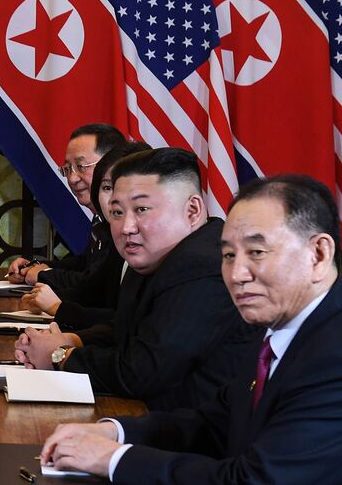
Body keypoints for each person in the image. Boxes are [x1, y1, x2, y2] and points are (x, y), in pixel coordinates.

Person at [40, 174, 342, 483]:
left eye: (257, 252)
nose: (236, 274)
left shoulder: (332, 356)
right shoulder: (278, 327)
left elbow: (254, 479)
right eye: (228, 255)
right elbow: (213, 423)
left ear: (318, 255)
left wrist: (111, 458)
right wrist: (113, 431)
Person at [14, 148, 261, 411]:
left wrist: (60, 356)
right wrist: (69, 341)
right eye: (118, 212)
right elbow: (124, 332)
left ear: (192, 211)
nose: (126, 227)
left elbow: (142, 371)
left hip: (197, 440)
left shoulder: (204, 265)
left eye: (141, 209)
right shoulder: (152, 257)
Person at [22, 142, 150, 330]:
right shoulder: (115, 233)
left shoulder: (164, 253)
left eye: (81, 166)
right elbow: (93, 288)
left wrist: (58, 307)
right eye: (107, 188)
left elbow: (129, 324)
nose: (114, 200)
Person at [6, 123, 126, 289]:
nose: (72, 179)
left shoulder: (123, 224)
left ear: (112, 165)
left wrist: (43, 275)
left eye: (81, 167)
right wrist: (35, 266)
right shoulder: (99, 218)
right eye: (68, 169)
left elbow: (95, 285)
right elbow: (85, 263)